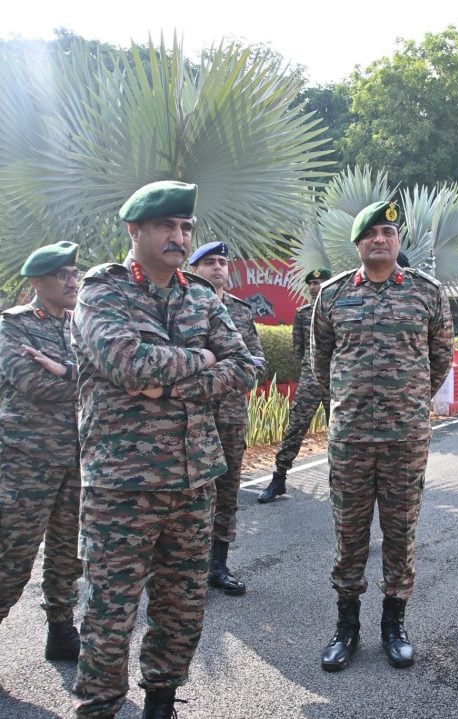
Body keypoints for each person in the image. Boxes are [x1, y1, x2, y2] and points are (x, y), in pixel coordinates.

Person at [70, 180, 257, 718]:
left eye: (184, 228)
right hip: (121, 482)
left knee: (182, 607)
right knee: (110, 608)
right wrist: (201, 359)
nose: (178, 237)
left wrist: (171, 380)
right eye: (166, 227)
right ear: (135, 231)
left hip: (194, 480)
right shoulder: (102, 291)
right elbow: (129, 363)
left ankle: (161, 701)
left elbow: (245, 366)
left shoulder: (200, 294)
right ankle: (100, 704)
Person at [311, 200, 453, 672]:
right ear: (357, 243)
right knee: (349, 536)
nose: (380, 239)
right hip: (350, 438)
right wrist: (349, 404)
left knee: (400, 534)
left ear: (398, 242)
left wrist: (408, 402)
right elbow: (322, 363)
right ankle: (345, 627)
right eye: (371, 232)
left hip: (405, 439)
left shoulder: (427, 293)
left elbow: (440, 360)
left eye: (388, 232)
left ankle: (394, 625)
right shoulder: (331, 296)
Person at [0, 241, 83, 661]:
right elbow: (35, 385)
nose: (72, 281)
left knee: (69, 554)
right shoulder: (12, 326)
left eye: (75, 273)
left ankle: (61, 628)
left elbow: (102, 372)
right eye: (62, 275)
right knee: (12, 554)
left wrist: (69, 373)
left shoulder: (80, 323)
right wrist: (87, 380)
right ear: (37, 282)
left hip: (76, 459)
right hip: (26, 461)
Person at [189, 241, 266, 596]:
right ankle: (187, 567)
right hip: (191, 415)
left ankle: (218, 565)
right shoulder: (182, 305)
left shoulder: (240, 309)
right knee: (189, 492)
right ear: (194, 269)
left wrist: (228, 367)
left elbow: (255, 360)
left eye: (222, 262)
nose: (218, 267)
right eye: (209, 262)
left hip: (231, 414)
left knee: (227, 490)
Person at [258, 267, 332, 504]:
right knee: (295, 429)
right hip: (311, 380)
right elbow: (298, 348)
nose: (314, 286)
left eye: (319, 282)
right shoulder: (303, 314)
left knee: (340, 434)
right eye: (310, 283)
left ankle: (340, 482)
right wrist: (308, 368)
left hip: (336, 381)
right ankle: (278, 478)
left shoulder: (341, 312)